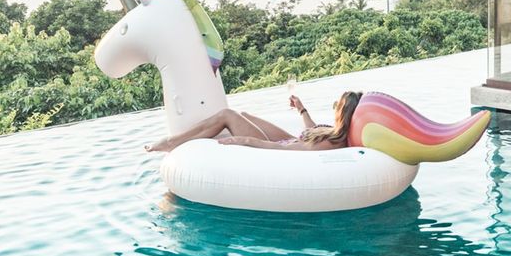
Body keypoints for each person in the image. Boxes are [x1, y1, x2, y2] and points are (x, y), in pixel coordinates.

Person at [145, 91, 362, 152]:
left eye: (338, 105)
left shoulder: (332, 142)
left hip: (282, 147)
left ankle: (171, 143)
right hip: (290, 140)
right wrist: (301, 108)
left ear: (342, 112)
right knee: (245, 115)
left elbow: (290, 151)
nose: (334, 106)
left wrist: (246, 140)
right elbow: (313, 130)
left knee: (227, 115)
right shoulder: (336, 133)